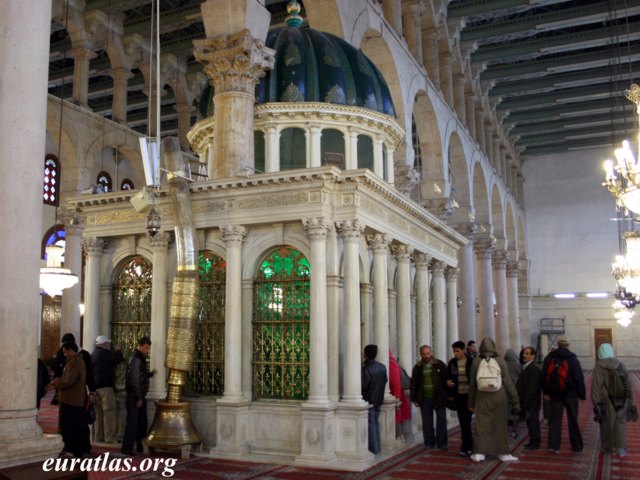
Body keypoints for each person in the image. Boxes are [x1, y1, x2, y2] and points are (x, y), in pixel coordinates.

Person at [468, 337, 520, 463]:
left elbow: (473, 384)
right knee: (500, 425)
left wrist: (471, 403)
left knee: (481, 425)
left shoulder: (476, 361)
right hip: (499, 396)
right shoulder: (500, 361)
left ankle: (479, 453)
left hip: (482, 397)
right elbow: (508, 382)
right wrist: (515, 400)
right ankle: (503, 453)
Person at [540, 336, 585, 454]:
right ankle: (577, 447)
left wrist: (546, 392)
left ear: (558, 344)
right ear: (568, 345)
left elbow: (543, 376)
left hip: (555, 393)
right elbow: (578, 378)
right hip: (570, 394)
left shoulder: (549, 358)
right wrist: (582, 395)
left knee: (555, 419)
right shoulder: (572, 359)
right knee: (573, 420)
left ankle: (553, 446)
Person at [49, 342, 90, 458]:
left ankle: (69, 450)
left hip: (71, 400)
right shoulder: (76, 361)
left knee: (68, 426)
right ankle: (75, 450)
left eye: (65, 351)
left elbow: (67, 381)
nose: (64, 354)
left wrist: (56, 381)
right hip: (74, 399)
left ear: (71, 350)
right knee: (74, 426)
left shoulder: (75, 362)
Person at [591, 343, 632, 457]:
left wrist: (596, 402)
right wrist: (629, 400)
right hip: (621, 397)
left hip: (607, 399)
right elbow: (627, 383)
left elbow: (596, 386)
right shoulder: (620, 364)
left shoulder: (599, 366)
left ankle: (607, 447)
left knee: (606, 422)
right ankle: (620, 449)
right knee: (620, 421)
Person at [122, 336, 155, 456]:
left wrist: (149, 374)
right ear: (140, 346)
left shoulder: (137, 358)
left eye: (148, 348)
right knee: (133, 423)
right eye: (146, 348)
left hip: (136, 395)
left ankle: (140, 446)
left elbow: (139, 376)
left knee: (141, 422)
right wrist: (139, 398)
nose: (147, 351)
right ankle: (127, 448)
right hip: (135, 397)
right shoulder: (136, 359)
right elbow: (135, 380)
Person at [410, 345, 448, 451]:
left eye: (428, 353)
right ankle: (429, 443)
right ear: (421, 354)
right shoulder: (417, 368)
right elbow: (414, 384)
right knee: (427, 423)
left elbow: (446, 380)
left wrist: (448, 396)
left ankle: (442, 443)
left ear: (431, 352)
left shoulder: (439, 364)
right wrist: (414, 398)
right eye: (424, 354)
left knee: (441, 421)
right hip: (425, 398)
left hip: (439, 397)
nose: (426, 356)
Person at [92, 334, 124, 444]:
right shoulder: (105, 354)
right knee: (109, 412)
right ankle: (110, 437)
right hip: (106, 388)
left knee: (99, 413)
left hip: (95, 388)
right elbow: (118, 359)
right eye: (106, 344)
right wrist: (118, 350)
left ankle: (98, 436)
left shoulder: (93, 355)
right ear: (104, 344)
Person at [446, 340, 473, 456]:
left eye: (457, 351)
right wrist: (448, 383)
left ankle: (468, 446)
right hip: (459, 396)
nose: (455, 354)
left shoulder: (471, 362)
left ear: (463, 350)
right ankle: (466, 446)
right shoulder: (452, 363)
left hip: (469, 396)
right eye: (454, 351)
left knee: (466, 422)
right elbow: (448, 377)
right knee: (463, 422)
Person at [361, 344, 387, 454]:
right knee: (375, 423)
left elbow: (364, 385)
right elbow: (385, 381)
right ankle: (377, 447)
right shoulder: (382, 367)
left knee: (371, 424)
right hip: (379, 399)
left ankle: (373, 448)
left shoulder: (366, 369)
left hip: (369, 400)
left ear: (365, 354)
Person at [516, 346, 541, 449]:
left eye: (527, 354)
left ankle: (535, 442)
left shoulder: (534, 369)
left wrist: (526, 402)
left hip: (532, 401)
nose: (524, 355)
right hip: (528, 401)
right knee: (530, 422)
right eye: (524, 353)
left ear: (533, 356)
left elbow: (531, 388)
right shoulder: (527, 367)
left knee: (533, 421)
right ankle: (532, 440)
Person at [388, 351, 411, 441]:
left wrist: (397, 397)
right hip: (396, 395)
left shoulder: (392, 364)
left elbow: (396, 383)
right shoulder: (393, 363)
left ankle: (399, 436)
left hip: (396, 395)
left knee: (397, 416)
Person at [504, 348, 522, 437]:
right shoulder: (517, 365)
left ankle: (508, 421)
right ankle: (514, 425)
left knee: (507, 407)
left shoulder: (503, 365)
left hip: (505, 389)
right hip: (516, 388)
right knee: (515, 407)